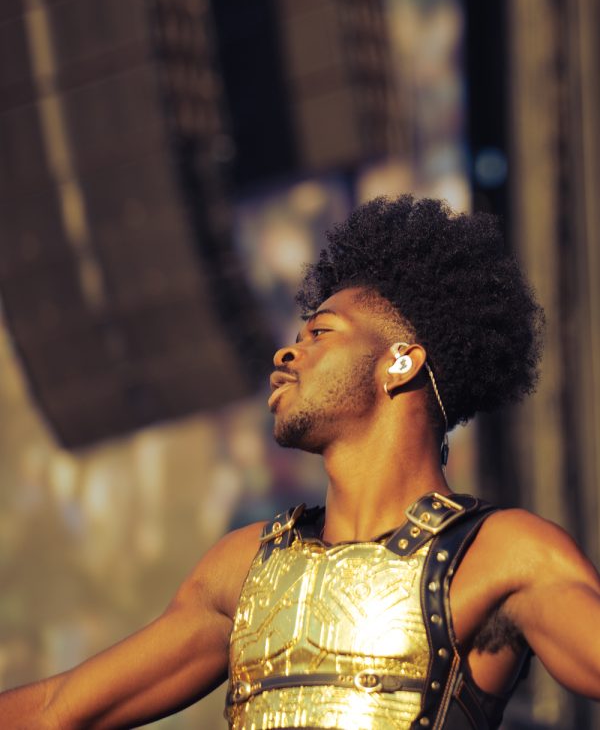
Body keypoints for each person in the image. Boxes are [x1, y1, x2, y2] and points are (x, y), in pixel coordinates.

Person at [1, 195, 599, 730]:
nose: (286, 353)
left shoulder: (502, 556)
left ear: (400, 363)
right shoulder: (241, 568)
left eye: (320, 333)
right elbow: (58, 710)